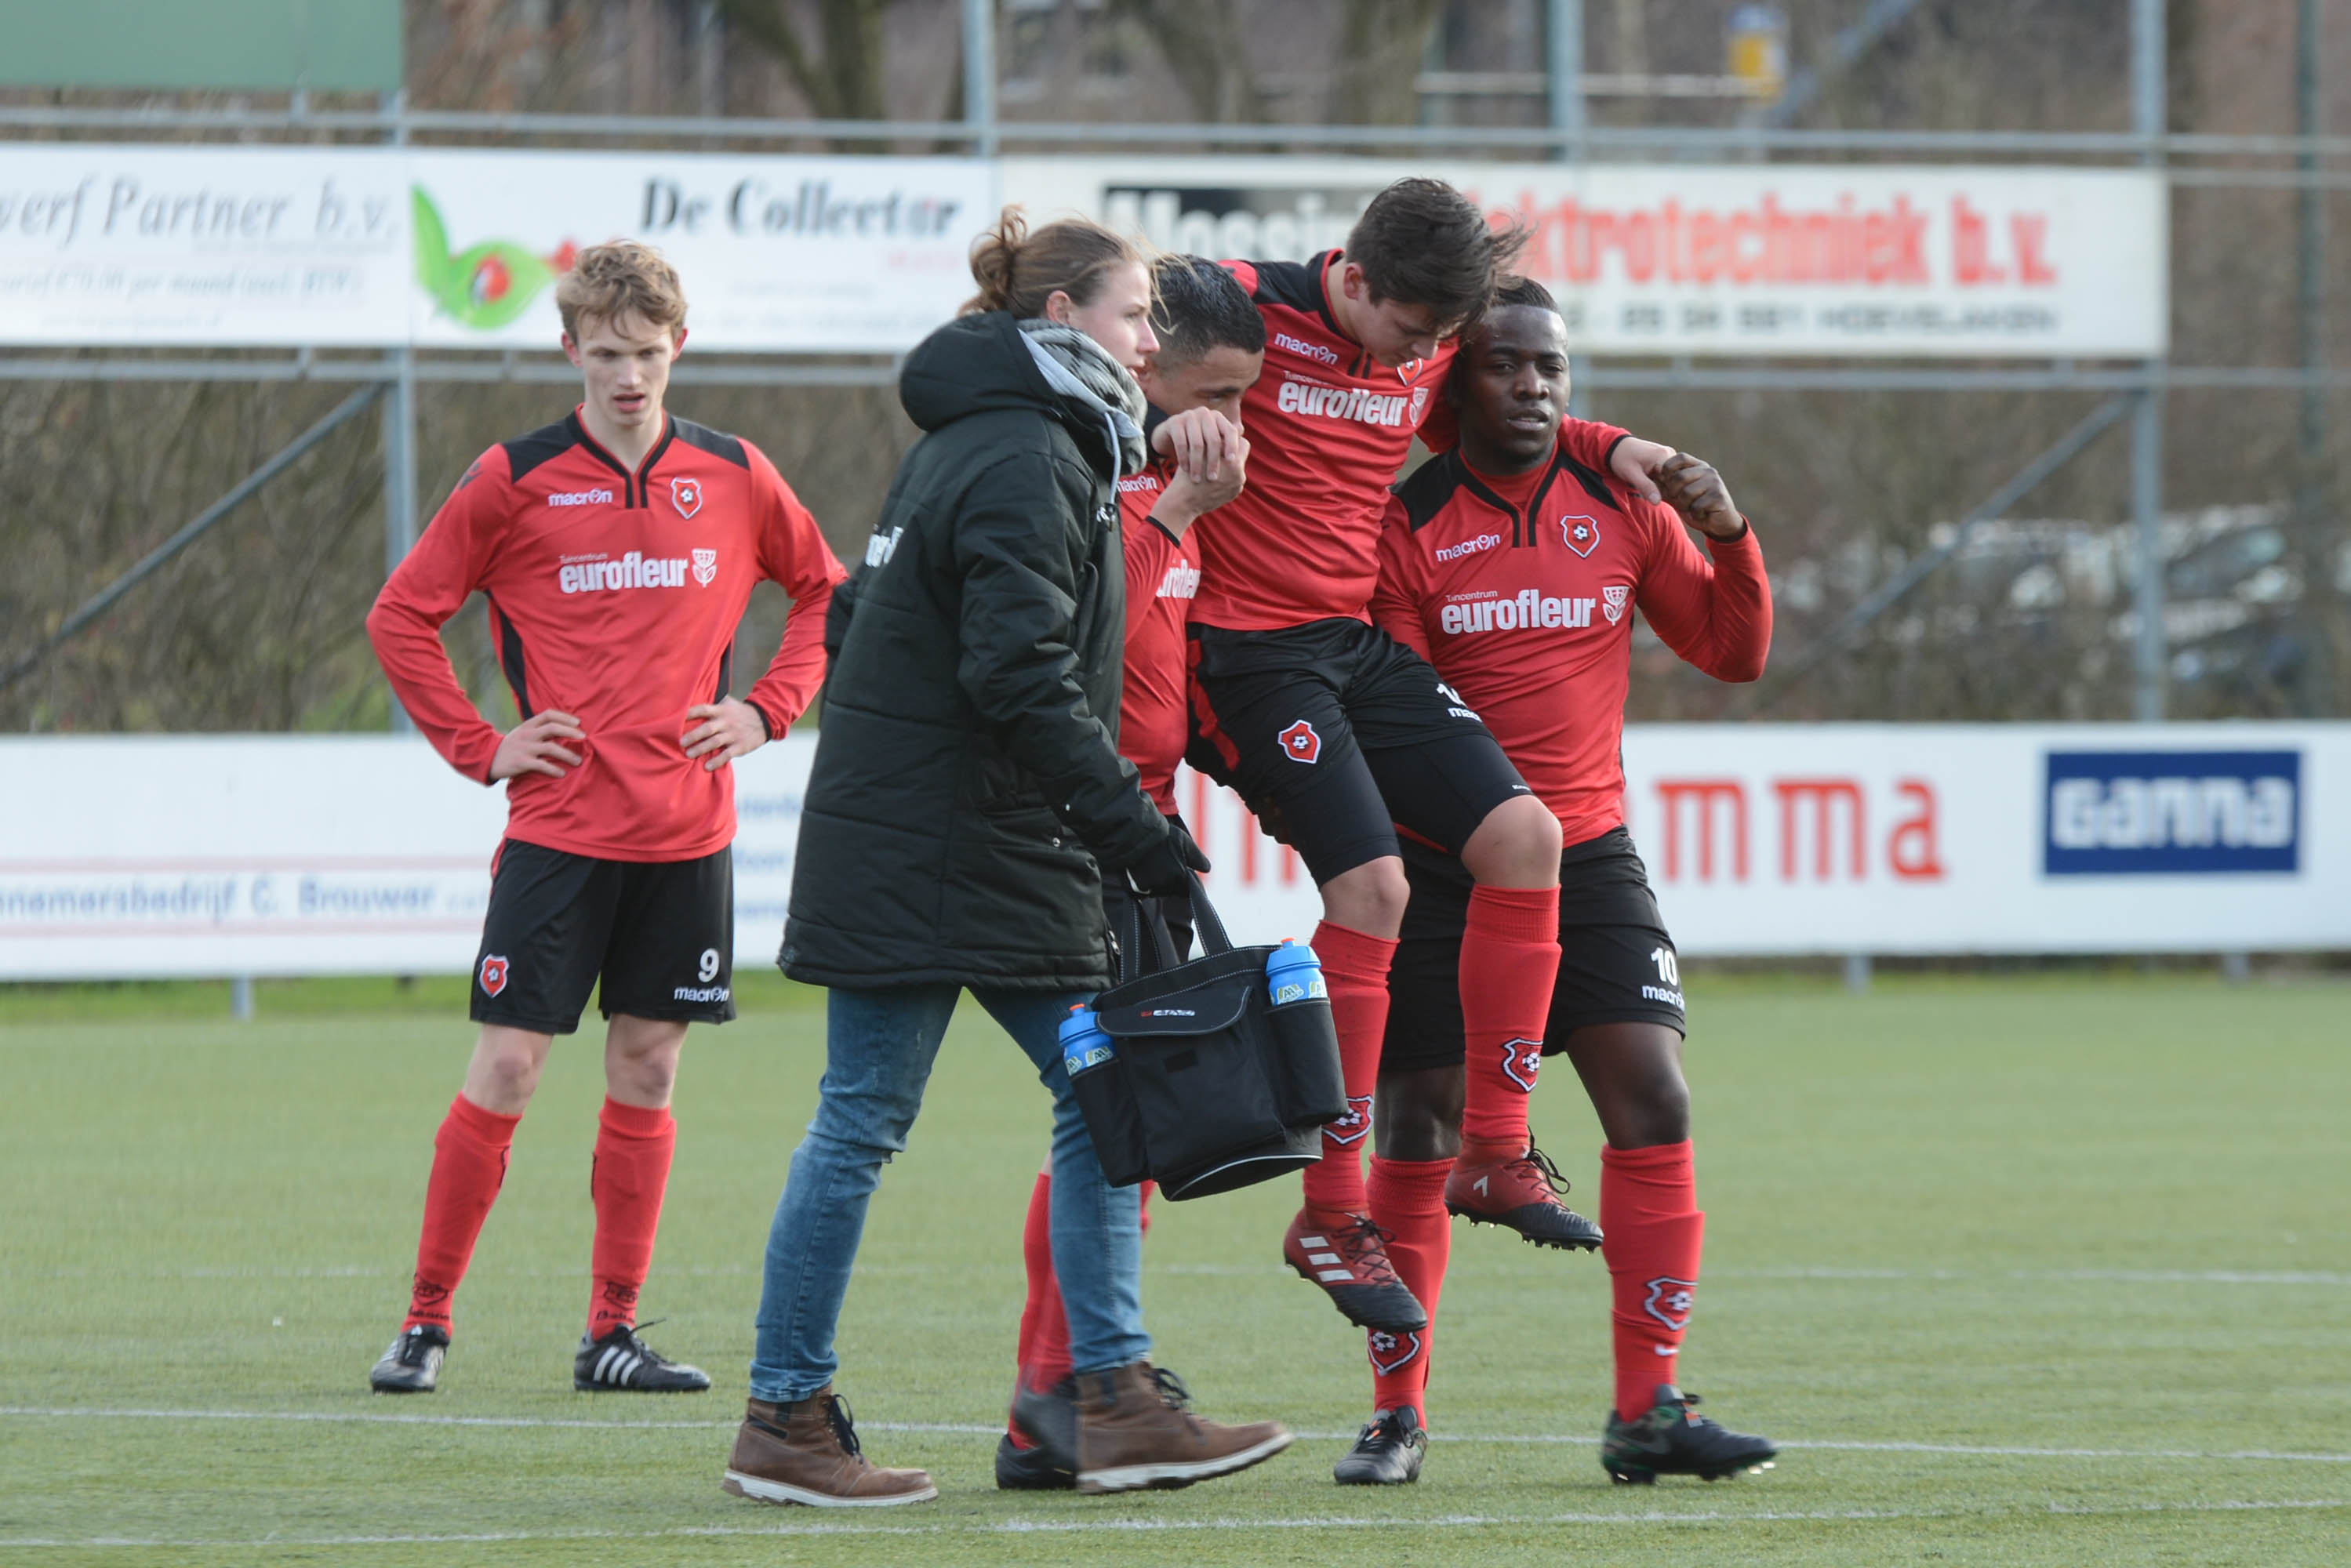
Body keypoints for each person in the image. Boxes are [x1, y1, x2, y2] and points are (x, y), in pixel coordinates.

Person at [723, 212, 1291, 1508]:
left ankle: (1100, 1400)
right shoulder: (1024, 457)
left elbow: (907, 636)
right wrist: (1132, 830)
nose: (1153, 339)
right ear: (1061, 322)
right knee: (918, 1117)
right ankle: (814, 1416)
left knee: (1087, 1101)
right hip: (951, 844)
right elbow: (1019, 674)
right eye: (1135, 313)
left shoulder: (1004, 443)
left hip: (950, 839)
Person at [1183, 179, 1673, 1334]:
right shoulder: (1241, 306)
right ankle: (1327, 1211)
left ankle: (1494, 1152)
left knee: (1524, 836)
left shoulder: (1424, 345)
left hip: (1344, 646)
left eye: (1446, 340)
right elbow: (1095, 341)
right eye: (1414, 333)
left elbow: (1516, 426)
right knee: (1376, 887)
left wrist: (1611, 441)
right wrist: (1164, 415)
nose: (1429, 356)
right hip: (1245, 656)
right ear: (1351, 279)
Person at [362, 241, 845, 1396]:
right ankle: (426, 1322)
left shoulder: (733, 472)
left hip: (688, 835)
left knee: (647, 1067)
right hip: (558, 835)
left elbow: (825, 589)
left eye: (647, 353)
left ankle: (611, 1334)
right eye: (606, 355)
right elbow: (401, 617)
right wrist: (485, 748)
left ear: (679, 346)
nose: (628, 376)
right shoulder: (512, 478)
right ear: (567, 350)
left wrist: (769, 709)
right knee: (511, 1068)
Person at [1338, 276, 1779, 1486]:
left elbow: (1731, 653)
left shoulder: (1621, 502)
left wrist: (1730, 534)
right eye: (1506, 366)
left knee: (1655, 1103)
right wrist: (1483, 830)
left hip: (1587, 858)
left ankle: (1648, 1410)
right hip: (1441, 864)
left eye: (1552, 369)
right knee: (1419, 1127)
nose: (1532, 387)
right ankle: (1395, 1413)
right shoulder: (1407, 521)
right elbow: (1401, 719)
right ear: (1455, 378)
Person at [997, 254, 1266, 1491]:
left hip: (1141, 834)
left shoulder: (1166, 484)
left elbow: (1164, 675)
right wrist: (1173, 523)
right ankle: (1056, 1403)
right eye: (1214, 391)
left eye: (1248, 401)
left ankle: (1058, 1408)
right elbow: (1090, 649)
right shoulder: (1100, 479)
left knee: (1116, 1131)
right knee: (1106, 1124)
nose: (1231, 424)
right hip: (1087, 839)